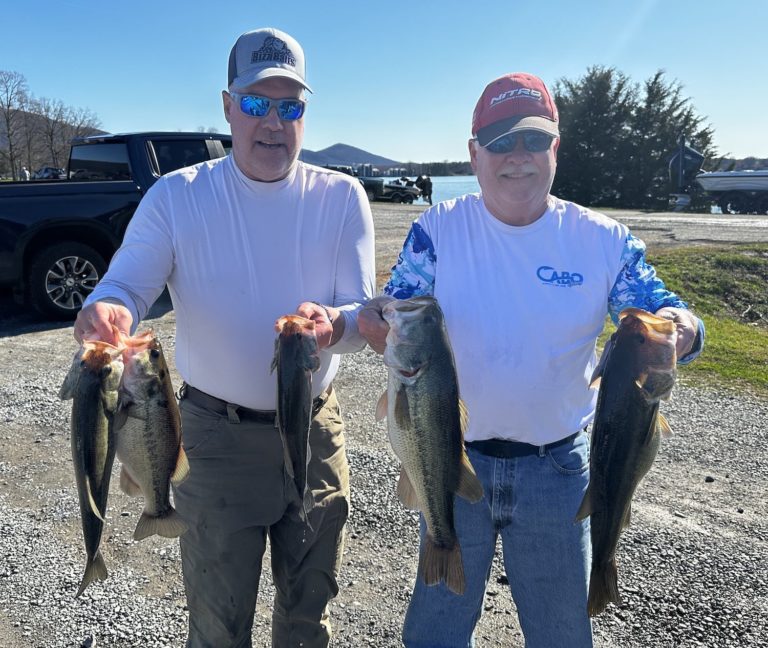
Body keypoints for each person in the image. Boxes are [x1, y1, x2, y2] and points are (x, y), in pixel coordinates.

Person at [358, 72, 704, 648]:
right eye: (499, 142)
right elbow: (395, 306)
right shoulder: (437, 230)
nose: (516, 156)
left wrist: (683, 334)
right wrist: (372, 320)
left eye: (533, 140)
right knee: (434, 633)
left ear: (555, 147)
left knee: (562, 633)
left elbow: (670, 313)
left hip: (559, 471)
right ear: (473, 153)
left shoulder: (602, 240)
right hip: (453, 456)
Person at [73, 27, 375, 648]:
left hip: (314, 427)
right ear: (227, 106)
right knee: (218, 623)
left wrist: (337, 324)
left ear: (305, 113)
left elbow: (364, 316)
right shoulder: (178, 196)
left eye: (289, 106)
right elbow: (127, 284)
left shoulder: (343, 197)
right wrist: (106, 308)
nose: (273, 122)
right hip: (210, 436)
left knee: (308, 616)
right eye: (257, 103)